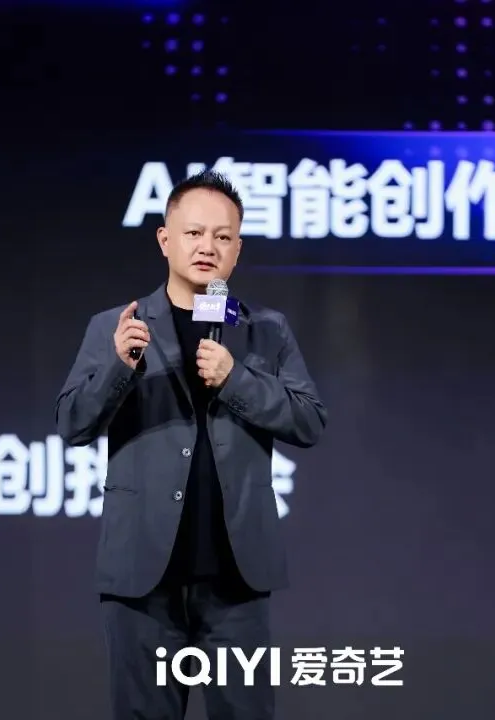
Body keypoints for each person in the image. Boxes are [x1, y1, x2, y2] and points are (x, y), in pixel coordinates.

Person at [54, 170, 328, 719]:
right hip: (142, 579)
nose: (208, 247)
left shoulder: (265, 329)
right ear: (165, 239)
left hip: (235, 577)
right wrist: (119, 367)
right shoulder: (117, 327)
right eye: (195, 233)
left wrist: (236, 380)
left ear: (238, 249)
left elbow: (309, 422)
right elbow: (72, 424)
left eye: (223, 237)